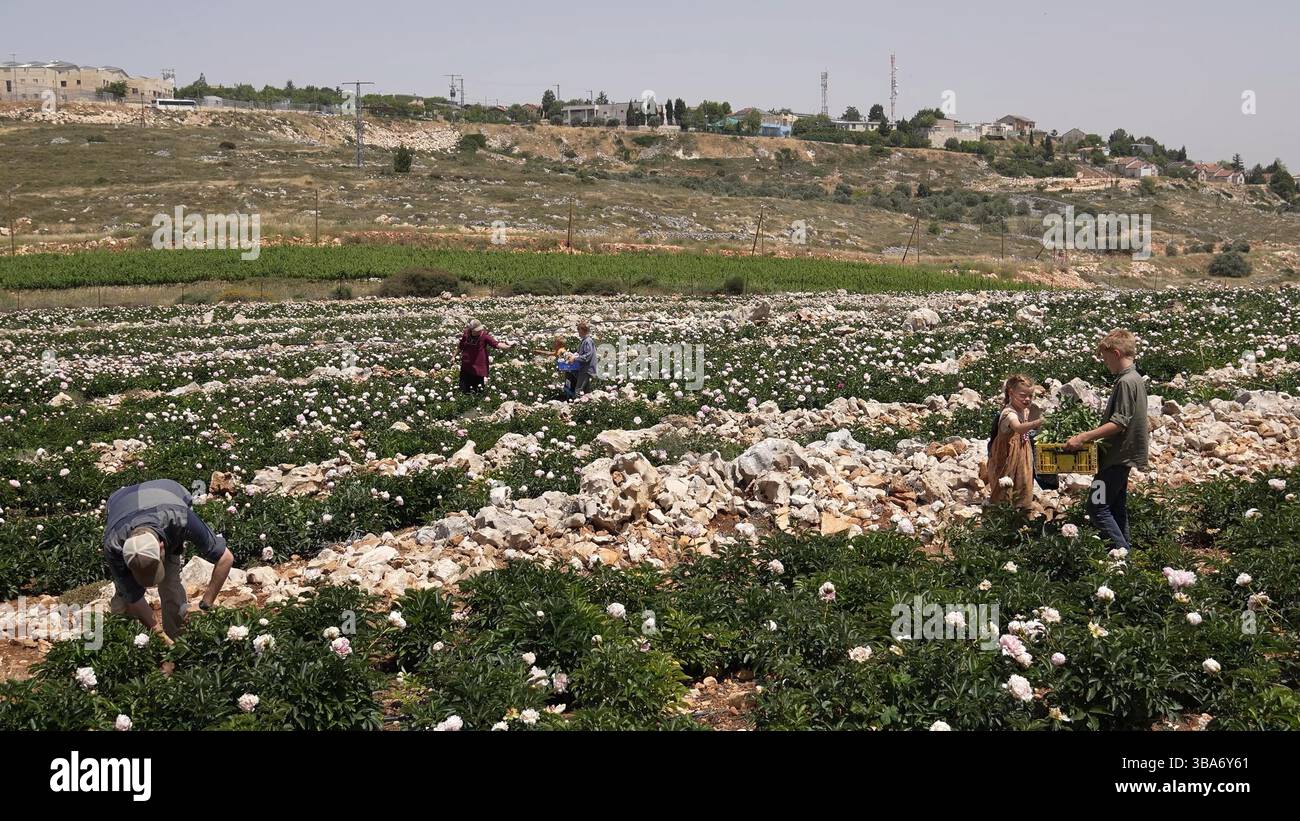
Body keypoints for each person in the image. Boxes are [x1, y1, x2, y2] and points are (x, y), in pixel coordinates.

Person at [102, 479, 235, 645]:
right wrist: (160, 636)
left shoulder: (180, 519)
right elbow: (134, 598)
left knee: (169, 582)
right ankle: (124, 641)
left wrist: (205, 605)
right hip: (121, 501)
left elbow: (225, 558)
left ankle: (179, 638)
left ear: (162, 547)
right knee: (125, 595)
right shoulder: (113, 545)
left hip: (170, 493)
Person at [1066, 329, 1149, 550]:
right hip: (1125, 457)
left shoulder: (1125, 382)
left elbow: (1119, 422)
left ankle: (1121, 555)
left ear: (1116, 353)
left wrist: (1084, 437)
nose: (1105, 363)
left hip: (1116, 458)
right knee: (1116, 506)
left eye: (1105, 358)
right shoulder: (1135, 378)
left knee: (1097, 505)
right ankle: (1126, 551)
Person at [984, 374, 1043, 509]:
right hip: (1007, 457)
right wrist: (1038, 422)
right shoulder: (1009, 413)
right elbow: (1018, 428)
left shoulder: (1024, 410)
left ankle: (1022, 514)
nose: (1027, 399)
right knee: (1005, 490)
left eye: (1030, 396)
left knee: (1023, 483)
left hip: (1022, 455)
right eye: (1022, 395)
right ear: (1011, 392)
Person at [458, 319, 510, 394]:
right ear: (471, 330)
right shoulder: (466, 334)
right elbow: (460, 346)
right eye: (476, 331)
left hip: (478, 367)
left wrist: (507, 347)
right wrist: (453, 356)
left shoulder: (484, 336)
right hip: (466, 365)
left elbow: (496, 344)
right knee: (464, 389)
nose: (478, 331)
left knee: (478, 390)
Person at [563, 321, 597, 399]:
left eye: (579, 330)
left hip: (586, 369)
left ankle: (577, 405)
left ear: (583, 331)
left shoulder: (587, 341)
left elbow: (587, 355)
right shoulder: (584, 340)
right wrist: (573, 355)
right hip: (584, 368)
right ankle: (589, 404)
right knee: (586, 390)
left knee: (578, 389)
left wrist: (575, 358)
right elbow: (580, 353)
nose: (578, 332)